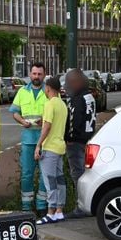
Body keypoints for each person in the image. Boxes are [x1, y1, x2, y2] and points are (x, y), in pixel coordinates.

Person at [10, 62, 49, 214]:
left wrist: (44, 120)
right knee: (27, 173)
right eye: (34, 74)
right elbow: (14, 112)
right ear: (30, 74)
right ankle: (26, 207)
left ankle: (41, 205)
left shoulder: (48, 91)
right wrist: (21, 121)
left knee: (44, 173)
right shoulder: (22, 92)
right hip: (27, 139)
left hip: (45, 139)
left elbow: (56, 112)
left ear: (44, 75)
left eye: (39, 74)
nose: (36, 77)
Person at [34, 77, 69, 224]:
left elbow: (47, 127)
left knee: (49, 180)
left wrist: (38, 145)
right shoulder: (62, 105)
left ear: (48, 88)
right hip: (60, 147)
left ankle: (50, 212)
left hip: (49, 147)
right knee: (60, 179)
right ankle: (59, 210)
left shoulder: (49, 104)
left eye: (45, 87)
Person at [63, 69, 97, 218]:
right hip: (88, 139)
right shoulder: (90, 97)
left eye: (69, 83)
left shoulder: (77, 100)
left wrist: (69, 137)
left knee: (78, 175)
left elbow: (74, 121)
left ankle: (81, 207)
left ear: (76, 82)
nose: (66, 87)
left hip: (76, 142)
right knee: (85, 174)